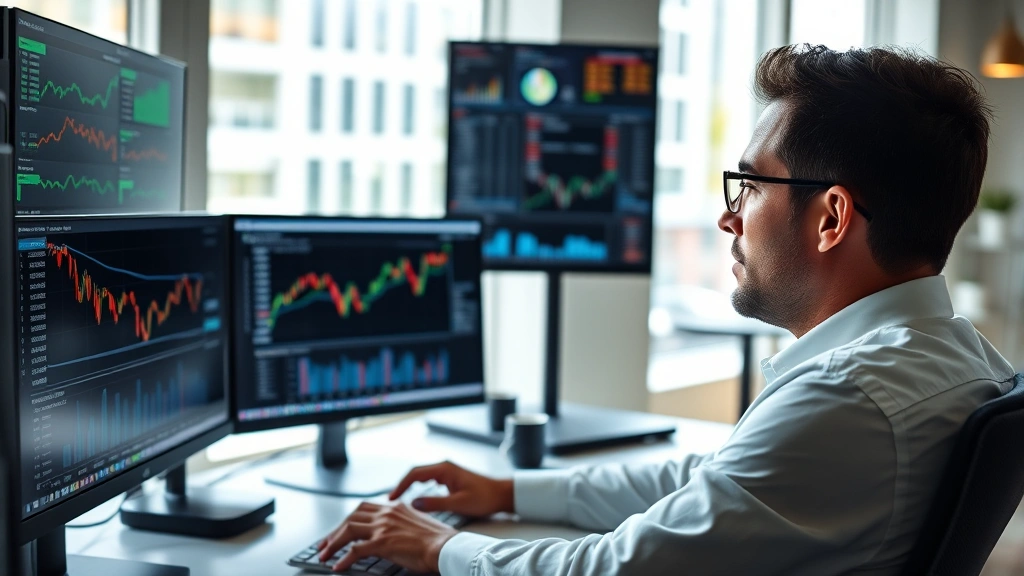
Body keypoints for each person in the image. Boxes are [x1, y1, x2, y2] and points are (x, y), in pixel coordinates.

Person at [316, 44, 1016, 575]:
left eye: (749, 187)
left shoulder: (850, 397)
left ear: (831, 218)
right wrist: (511, 490)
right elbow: (716, 484)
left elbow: (621, 566)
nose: (727, 218)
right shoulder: (955, 356)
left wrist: (441, 548)